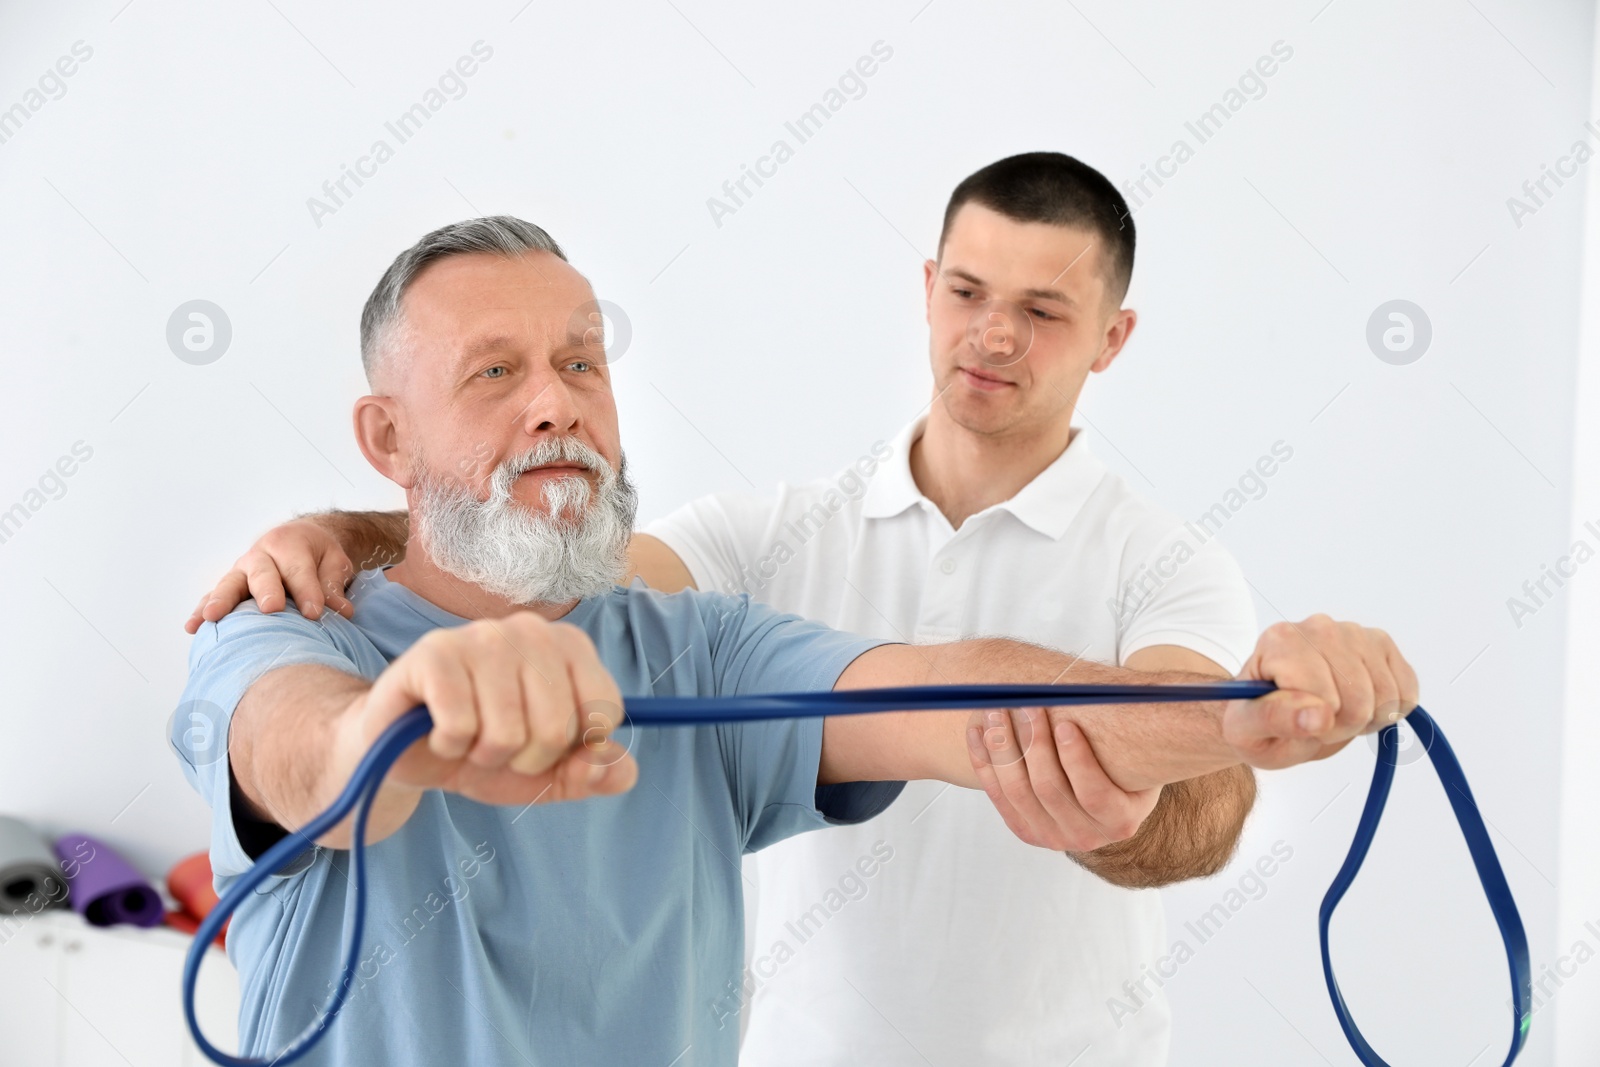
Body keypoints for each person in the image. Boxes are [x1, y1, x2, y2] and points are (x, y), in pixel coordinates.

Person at [178, 211, 1416, 1066]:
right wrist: (414, 716)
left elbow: (949, 690)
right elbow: (311, 761)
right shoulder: (286, 632)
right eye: (493, 371)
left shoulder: (703, 648)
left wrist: (1244, 714)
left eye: (579, 361)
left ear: (1109, 338)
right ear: (387, 441)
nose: (555, 397)